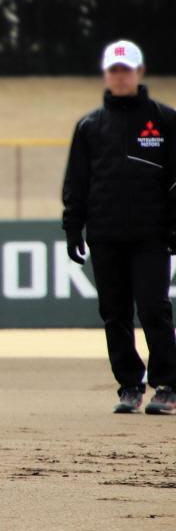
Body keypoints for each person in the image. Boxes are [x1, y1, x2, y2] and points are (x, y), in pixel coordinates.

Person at [62, 39, 176, 415]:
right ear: (106, 74)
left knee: (154, 309)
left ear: (139, 73)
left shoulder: (164, 119)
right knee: (114, 312)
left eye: (127, 70)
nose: (120, 76)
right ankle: (129, 385)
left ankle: (167, 385)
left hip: (151, 235)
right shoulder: (89, 126)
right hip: (106, 235)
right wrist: (73, 228)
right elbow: (76, 183)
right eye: (114, 70)